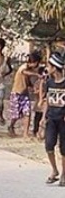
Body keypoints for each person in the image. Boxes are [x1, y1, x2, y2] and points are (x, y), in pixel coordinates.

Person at [8, 51, 43, 138]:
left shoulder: (30, 70)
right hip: (16, 93)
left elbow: (27, 81)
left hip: (25, 94)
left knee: (27, 113)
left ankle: (25, 133)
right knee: (16, 114)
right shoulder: (23, 67)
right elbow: (24, 72)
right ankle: (11, 126)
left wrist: (32, 87)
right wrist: (37, 74)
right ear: (34, 62)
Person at [42, 52, 65, 185]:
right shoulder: (49, 82)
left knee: (64, 148)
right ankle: (54, 170)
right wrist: (43, 118)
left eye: (49, 66)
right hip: (51, 118)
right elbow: (47, 101)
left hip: (63, 119)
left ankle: (63, 175)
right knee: (49, 145)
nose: (48, 68)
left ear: (55, 67)